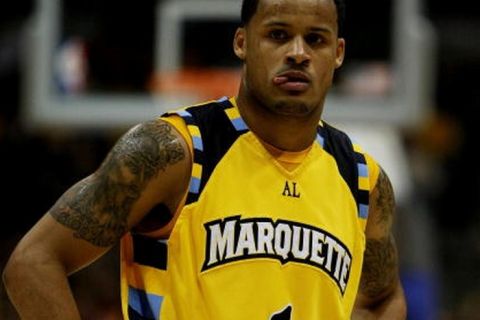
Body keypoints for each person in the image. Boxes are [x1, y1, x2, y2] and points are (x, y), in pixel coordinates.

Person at [2, 0, 407, 318]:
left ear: (337, 53)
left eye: (315, 40)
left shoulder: (361, 179)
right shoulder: (173, 151)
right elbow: (34, 261)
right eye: (278, 35)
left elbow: (381, 299)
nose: (298, 53)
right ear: (242, 43)